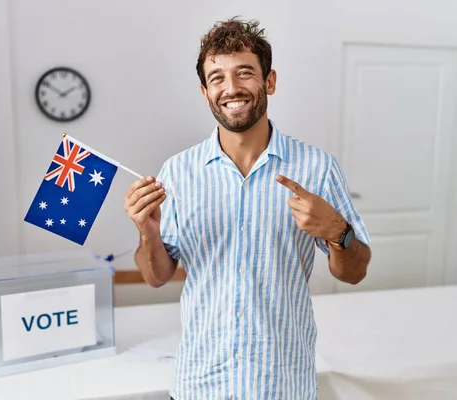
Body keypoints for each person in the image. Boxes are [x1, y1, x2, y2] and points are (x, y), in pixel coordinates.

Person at [124, 16, 372, 400]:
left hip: (283, 384)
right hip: (199, 384)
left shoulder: (316, 168)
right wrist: (147, 233)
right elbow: (157, 275)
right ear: (205, 91)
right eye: (217, 77)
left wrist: (338, 233)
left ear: (269, 81)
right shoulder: (177, 172)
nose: (232, 88)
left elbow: (354, 272)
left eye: (244, 73)